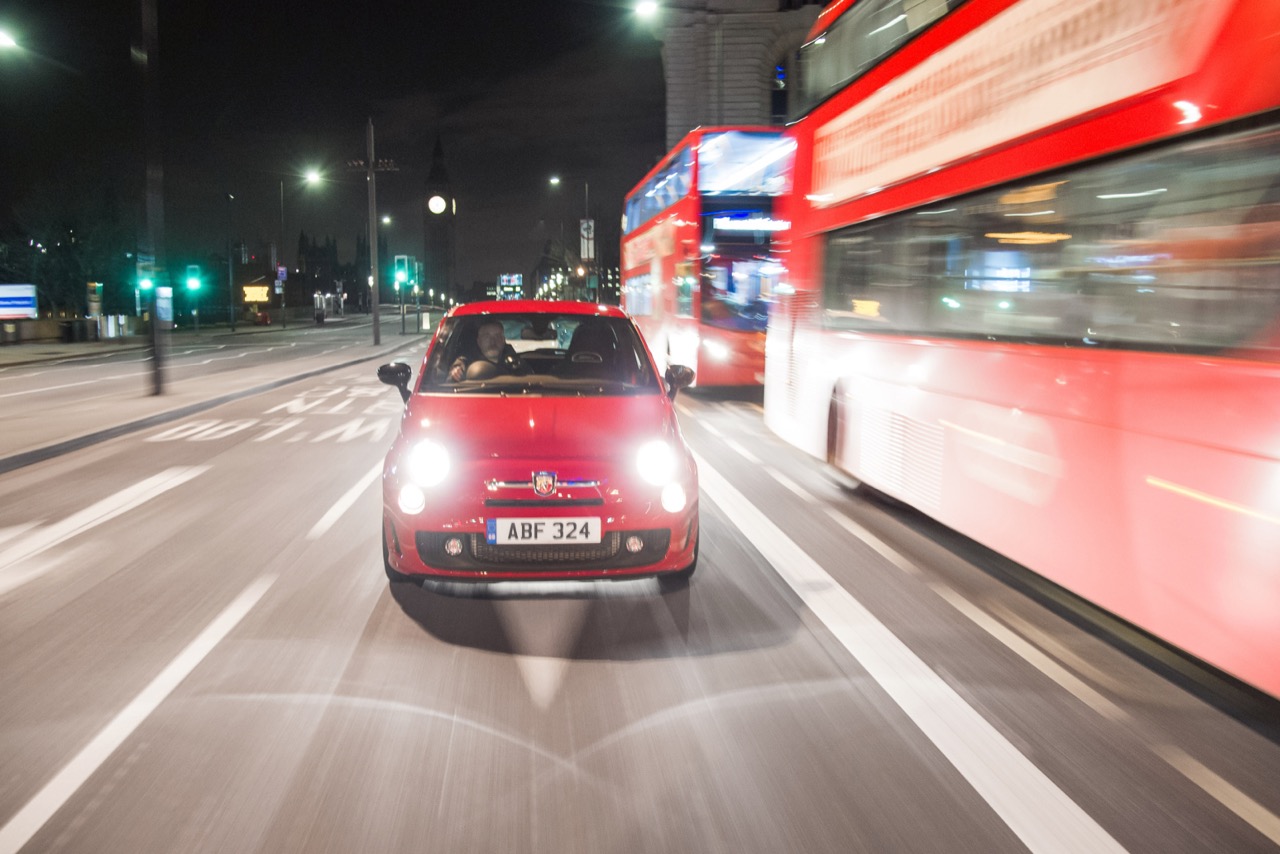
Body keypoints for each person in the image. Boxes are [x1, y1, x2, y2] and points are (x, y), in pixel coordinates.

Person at [448, 319, 524, 381]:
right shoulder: (467, 361)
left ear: (503, 340)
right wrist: (456, 371)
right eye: (487, 336)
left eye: (497, 336)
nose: (493, 341)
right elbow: (460, 363)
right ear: (479, 341)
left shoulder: (516, 362)